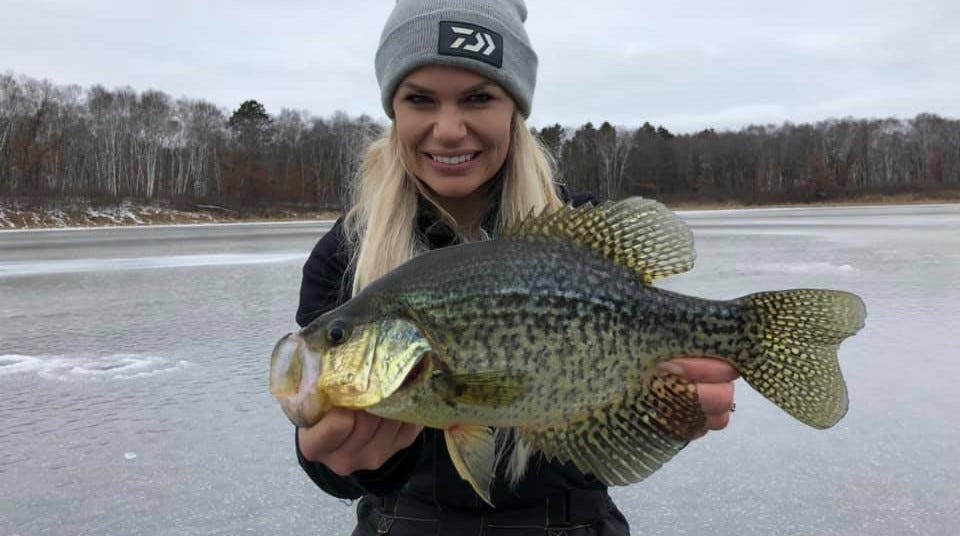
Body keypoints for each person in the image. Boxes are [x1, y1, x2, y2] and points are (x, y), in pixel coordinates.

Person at [293, 1, 739, 534]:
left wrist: (651, 418)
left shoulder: (583, 227)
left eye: (478, 97)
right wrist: (337, 459)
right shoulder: (346, 252)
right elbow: (335, 470)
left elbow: (599, 458)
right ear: (394, 111)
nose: (450, 129)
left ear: (515, 109)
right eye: (420, 100)